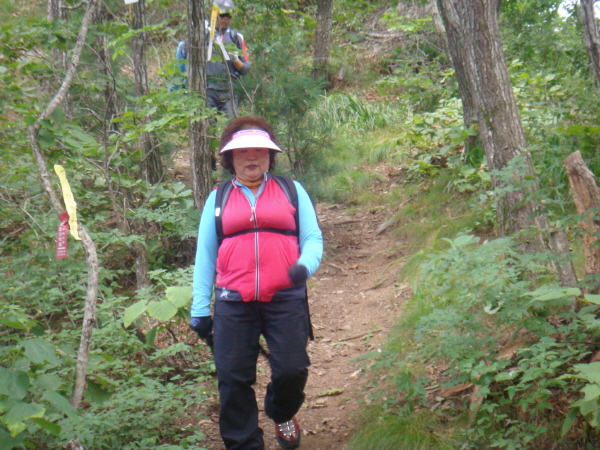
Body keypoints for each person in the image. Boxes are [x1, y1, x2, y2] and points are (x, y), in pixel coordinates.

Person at [189, 115, 323, 450]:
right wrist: (200, 308)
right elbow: (205, 255)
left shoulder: (291, 190)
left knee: (292, 370)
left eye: (260, 150)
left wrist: (304, 266)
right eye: (243, 151)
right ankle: (244, 443)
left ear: (270, 155)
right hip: (234, 300)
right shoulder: (217, 199)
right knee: (233, 379)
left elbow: (312, 238)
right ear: (229, 158)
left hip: (286, 297)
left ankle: (281, 410)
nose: (252, 157)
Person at [175, 10, 250, 118]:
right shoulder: (199, 37)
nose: (225, 19)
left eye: (228, 16)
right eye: (222, 16)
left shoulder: (236, 37)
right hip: (206, 91)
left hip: (230, 91)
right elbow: (183, 65)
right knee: (208, 128)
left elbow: (246, 69)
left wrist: (235, 59)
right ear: (214, 15)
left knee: (231, 127)